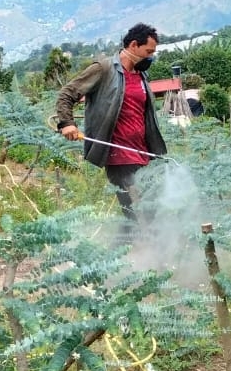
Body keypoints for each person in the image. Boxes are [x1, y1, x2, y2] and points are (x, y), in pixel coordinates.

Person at [55, 23, 168, 227]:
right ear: (134, 45)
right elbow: (67, 93)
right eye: (148, 51)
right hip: (118, 152)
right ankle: (136, 250)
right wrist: (67, 123)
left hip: (142, 151)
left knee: (152, 203)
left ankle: (129, 249)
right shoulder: (104, 69)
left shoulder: (141, 75)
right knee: (134, 206)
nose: (151, 57)